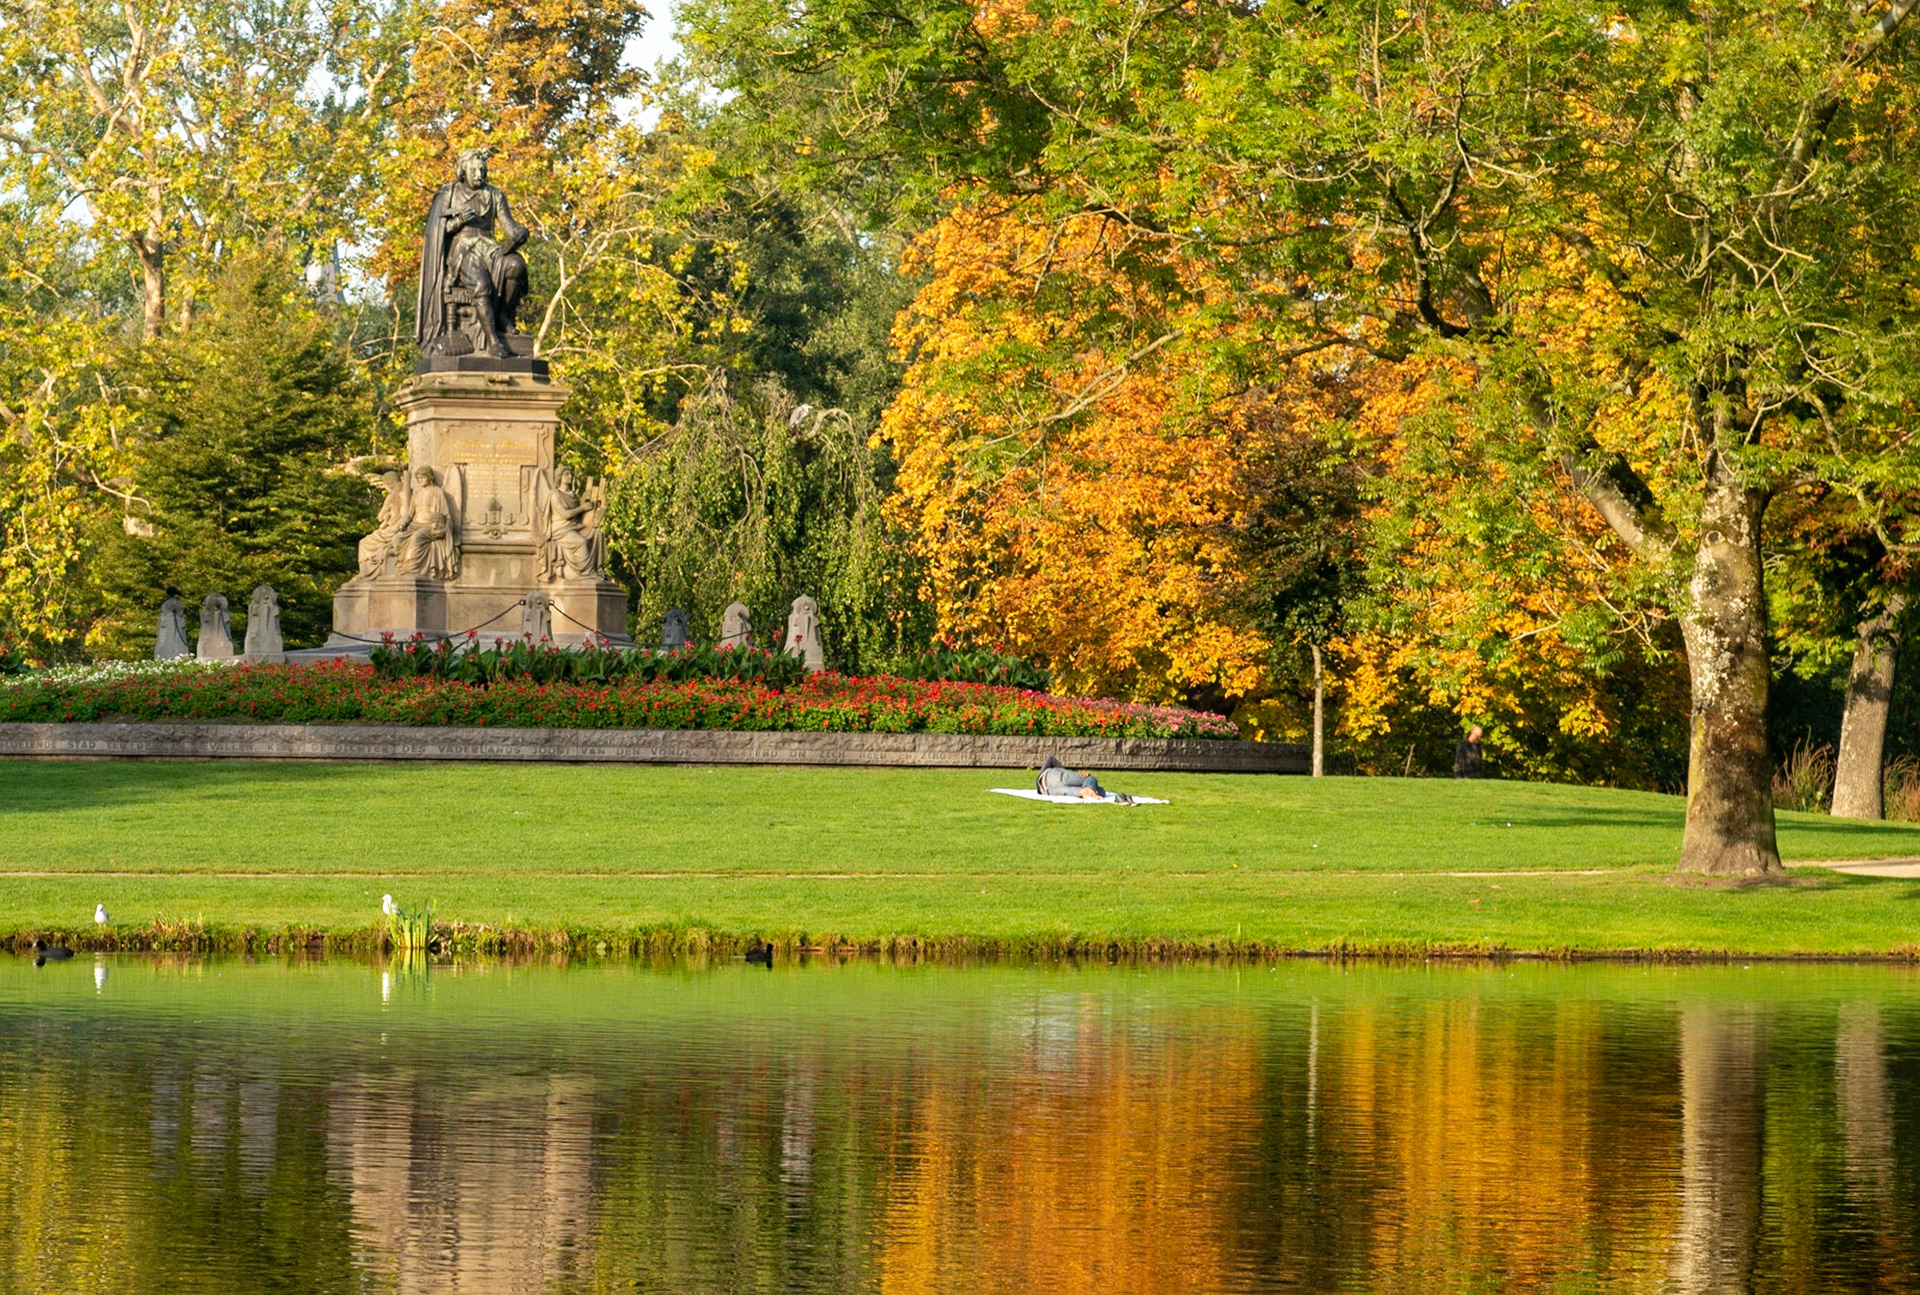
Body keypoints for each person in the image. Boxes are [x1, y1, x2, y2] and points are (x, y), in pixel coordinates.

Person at [1037, 755, 1135, 804]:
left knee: (1100, 791)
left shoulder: (1041, 788)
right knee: (1090, 778)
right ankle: (1088, 790)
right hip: (1055, 778)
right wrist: (1066, 772)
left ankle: (1086, 791)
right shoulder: (1049, 771)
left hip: (1047, 790)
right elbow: (1050, 759)